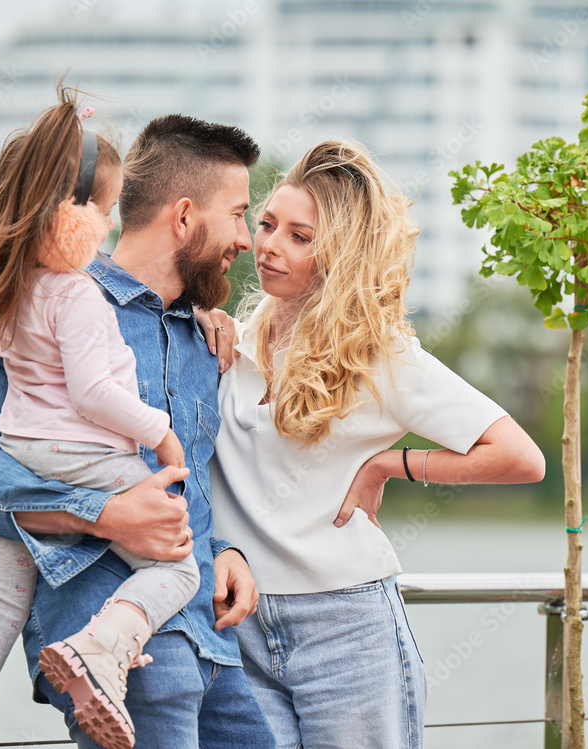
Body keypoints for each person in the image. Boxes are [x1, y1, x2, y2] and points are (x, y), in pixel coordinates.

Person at [0, 101, 275, 748]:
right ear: (183, 217)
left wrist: (224, 546)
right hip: (121, 659)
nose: (246, 240)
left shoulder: (207, 340)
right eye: (238, 215)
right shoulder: (55, 300)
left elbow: (184, 481)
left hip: (213, 643)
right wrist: (101, 513)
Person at [209, 140, 546, 749]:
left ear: (339, 253)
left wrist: (392, 464)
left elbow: (520, 457)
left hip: (348, 631)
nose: (270, 245)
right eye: (267, 224)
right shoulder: (228, 340)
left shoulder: (381, 355)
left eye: (300, 236)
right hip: (240, 625)